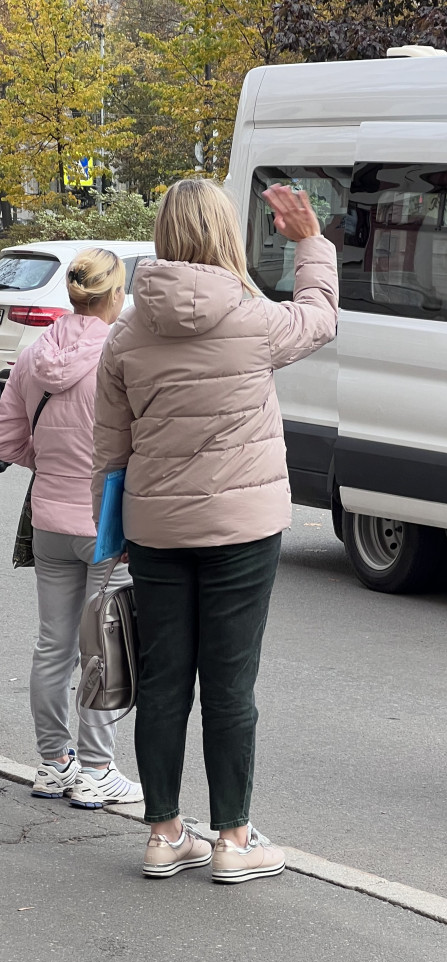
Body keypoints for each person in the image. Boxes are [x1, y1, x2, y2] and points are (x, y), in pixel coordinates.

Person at [91, 179, 338, 883]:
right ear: (224, 235)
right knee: (231, 683)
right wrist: (309, 242)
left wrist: (113, 529)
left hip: (156, 527)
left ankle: (165, 833)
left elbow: (110, 449)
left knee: (164, 680)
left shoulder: (126, 334)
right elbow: (320, 316)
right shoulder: (254, 319)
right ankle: (233, 838)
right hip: (243, 528)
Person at [0, 249, 143, 808]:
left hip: (49, 517)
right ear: (114, 296)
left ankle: (52, 763)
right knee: (103, 646)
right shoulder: (120, 353)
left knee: (53, 645)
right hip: (105, 518)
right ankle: (97, 769)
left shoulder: (34, 353)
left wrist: (54, 463)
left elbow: (9, 438)